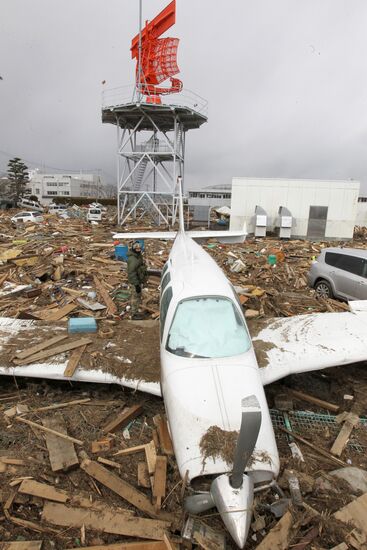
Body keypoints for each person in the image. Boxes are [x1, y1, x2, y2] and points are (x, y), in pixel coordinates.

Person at [127, 240, 147, 319]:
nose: (138, 250)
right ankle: (133, 314)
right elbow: (131, 273)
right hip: (135, 282)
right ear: (133, 249)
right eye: (137, 248)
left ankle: (135, 311)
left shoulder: (138, 256)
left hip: (139, 280)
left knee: (137, 297)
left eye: (139, 248)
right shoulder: (133, 259)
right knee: (135, 297)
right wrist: (136, 285)